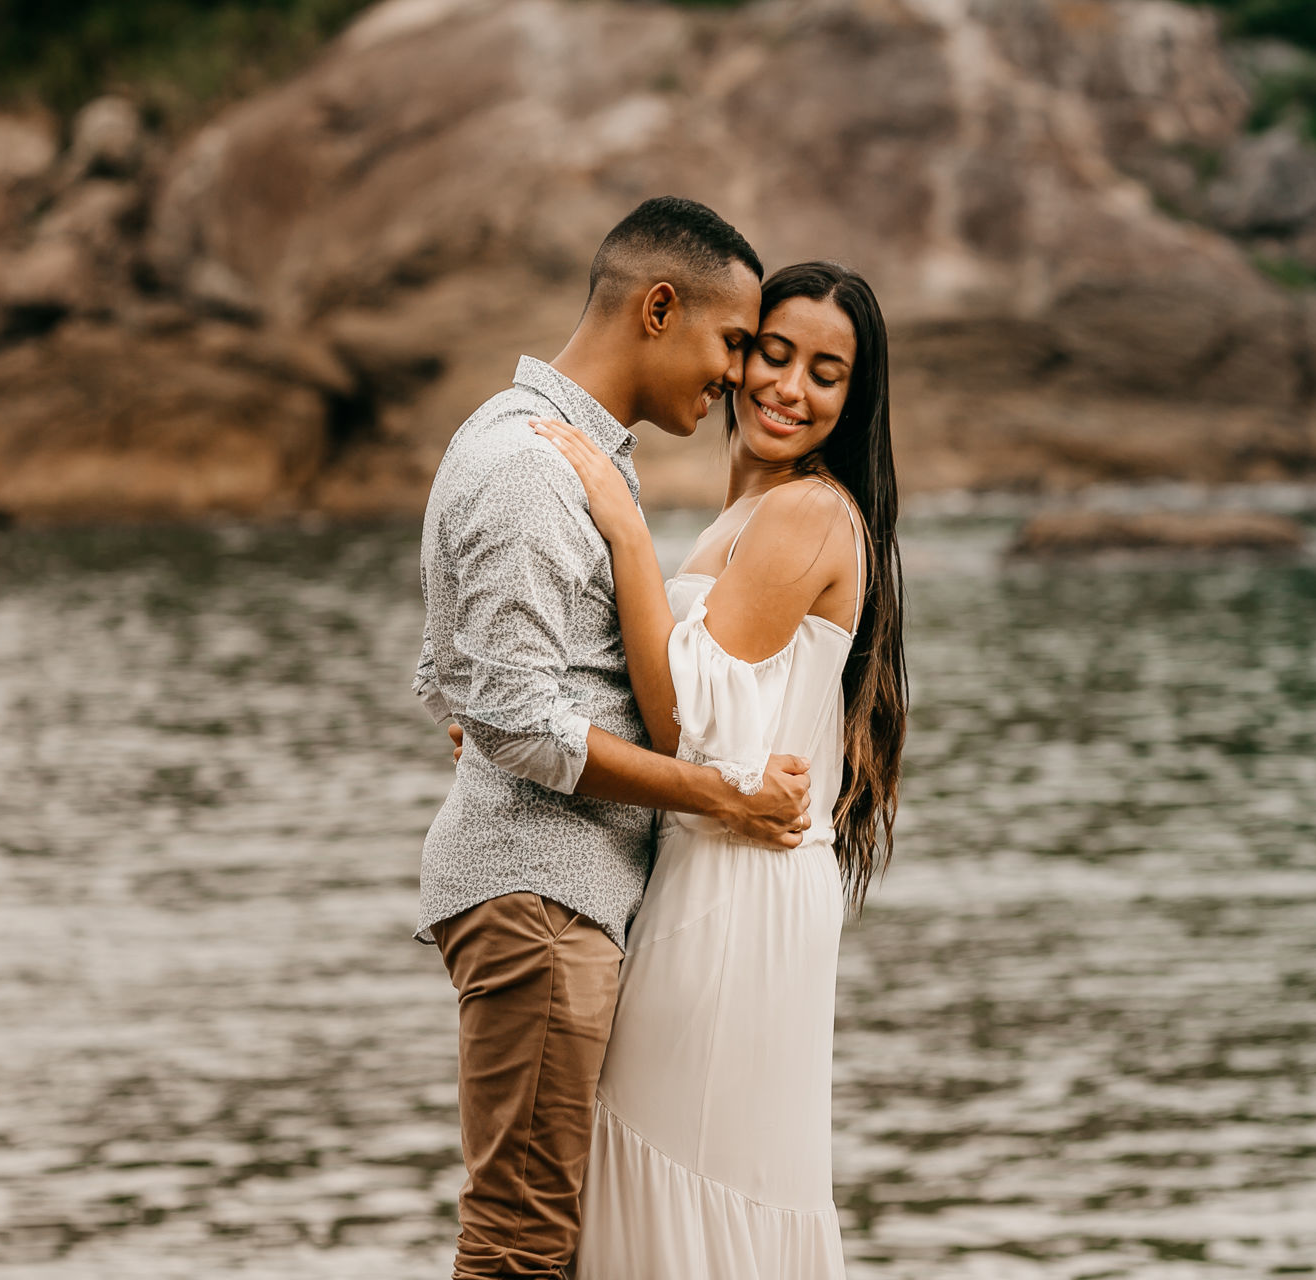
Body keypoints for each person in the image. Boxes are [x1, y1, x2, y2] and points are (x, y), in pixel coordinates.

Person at [411, 196, 818, 1280]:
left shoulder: (557, 451)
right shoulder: (534, 466)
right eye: (735, 343)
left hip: (557, 897)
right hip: (540, 898)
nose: (738, 377)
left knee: (546, 1233)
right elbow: (513, 720)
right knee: (521, 1240)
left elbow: (463, 685)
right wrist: (721, 792)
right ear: (660, 306)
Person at [529, 261, 907, 1278]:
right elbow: (666, 695)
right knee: (669, 1159)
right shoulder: (751, 514)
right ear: (737, 356)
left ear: (853, 398)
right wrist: (519, 720)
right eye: (772, 353)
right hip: (719, 860)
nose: (789, 387)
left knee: (677, 1154)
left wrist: (620, 521)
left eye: (826, 372)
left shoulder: (807, 516)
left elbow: (682, 718)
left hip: (738, 884)